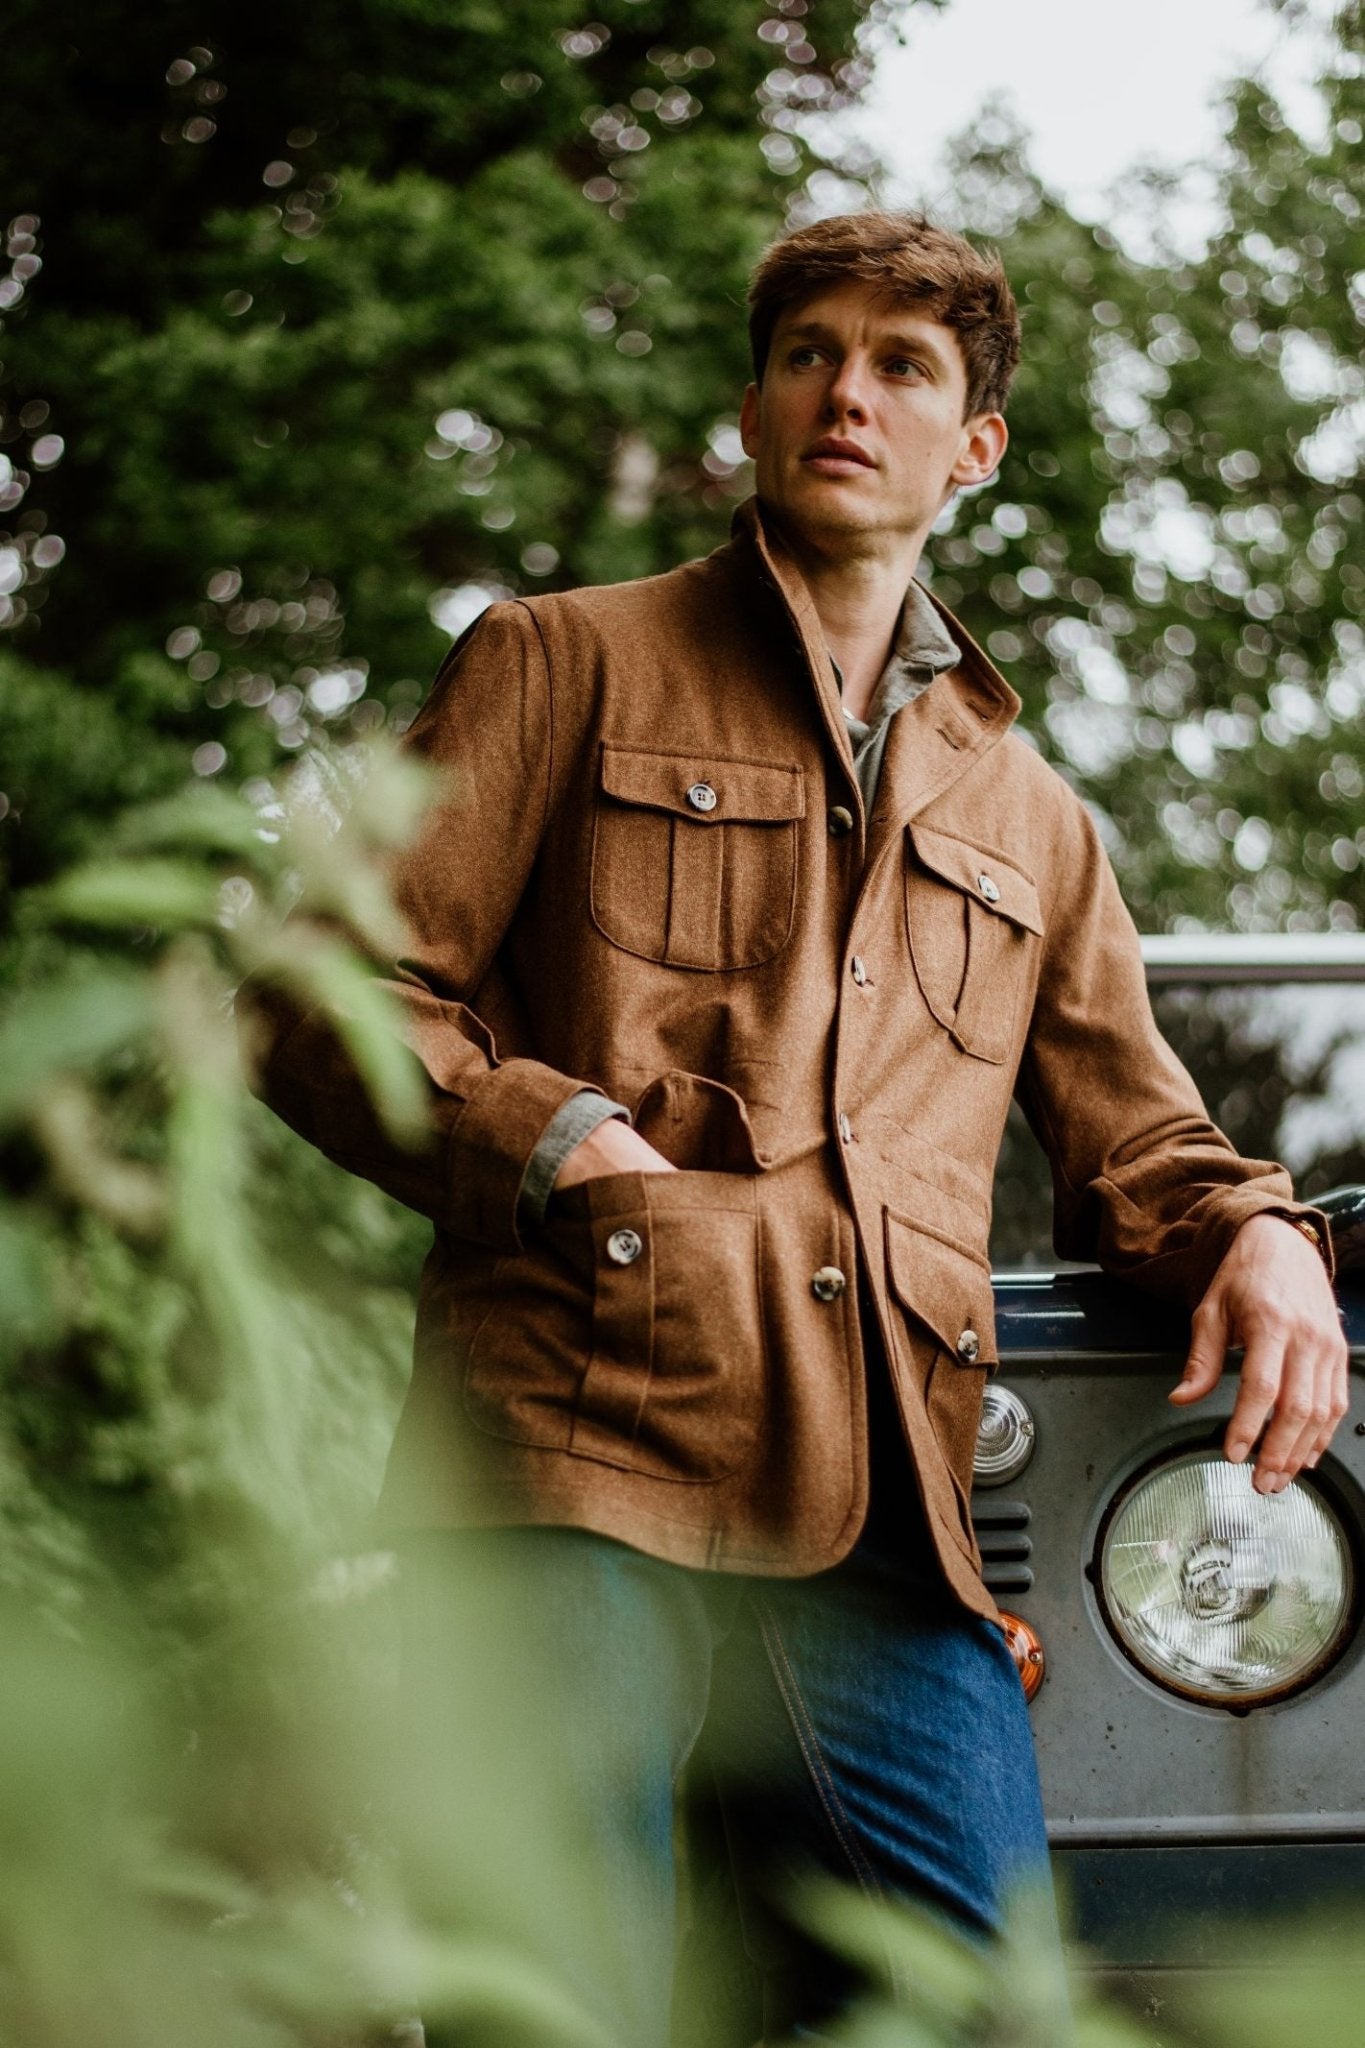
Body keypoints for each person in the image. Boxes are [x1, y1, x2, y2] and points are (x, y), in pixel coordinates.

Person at [244, 212, 1348, 2044]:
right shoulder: (559, 660)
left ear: (970, 445)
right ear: (749, 414)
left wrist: (1260, 1238)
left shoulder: (1033, 817)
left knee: (992, 2008)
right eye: (809, 354)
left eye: (902, 365)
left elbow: (1142, 1146)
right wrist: (555, 1137)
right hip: (578, 1456)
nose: (850, 391)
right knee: (557, 2003)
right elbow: (321, 996)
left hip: (886, 1527)